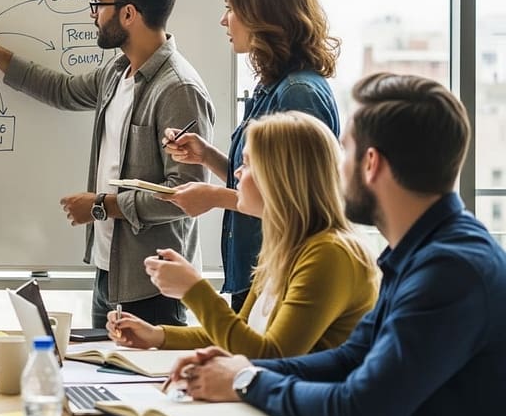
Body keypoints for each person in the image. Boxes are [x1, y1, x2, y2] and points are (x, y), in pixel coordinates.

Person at [171, 73, 506, 416]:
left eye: (344, 149)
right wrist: (237, 368)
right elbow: (351, 358)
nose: (336, 165)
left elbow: (359, 411)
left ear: (371, 163)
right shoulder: (423, 252)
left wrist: (247, 381)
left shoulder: (449, 271)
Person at [0, 0, 215, 328]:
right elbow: (61, 90)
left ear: (128, 13)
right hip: (110, 273)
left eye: (99, 4)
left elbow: (185, 197)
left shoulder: (178, 89)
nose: (93, 13)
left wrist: (102, 206)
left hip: (155, 287)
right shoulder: (118, 71)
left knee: (143, 385)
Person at [107, 111, 377, 358]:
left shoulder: (329, 255)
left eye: (247, 164)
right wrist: (158, 336)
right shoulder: (288, 246)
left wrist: (194, 290)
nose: (236, 172)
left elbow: (269, 355)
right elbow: (240, 333)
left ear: (280, 178)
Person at [159, 0, 340, 312]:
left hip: (281, 276)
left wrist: (213, 196)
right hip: (262, 273)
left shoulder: (298, 94)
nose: (223, 20)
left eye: (231, 8)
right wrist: (206, 156)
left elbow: (296, 203)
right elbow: (269, 178)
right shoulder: (275, 86)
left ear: (262, 13)